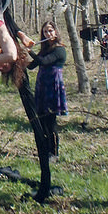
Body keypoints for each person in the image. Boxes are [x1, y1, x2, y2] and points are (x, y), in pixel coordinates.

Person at [27, 20, 67, 161]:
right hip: (42, 86)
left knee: (51, 122)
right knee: (42, 120)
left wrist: (30, 51)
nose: (48, 33)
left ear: (55, 32)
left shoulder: (60, 49)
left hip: (53, 86)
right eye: (45, 31)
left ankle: (54, 153)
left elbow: (44, 62)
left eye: (50, 30)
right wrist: (19, 55)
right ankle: (45, 151)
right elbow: (31, 66)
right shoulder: (44, 50)